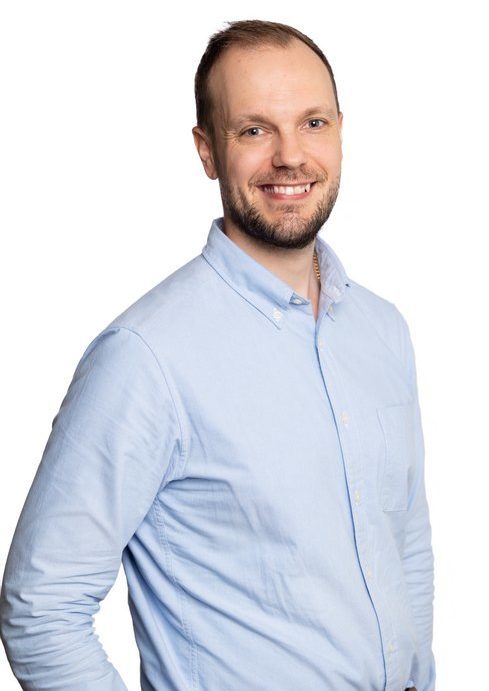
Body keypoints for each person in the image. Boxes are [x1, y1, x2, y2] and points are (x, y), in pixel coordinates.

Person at [0, 18, 434, 691]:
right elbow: (41, 605)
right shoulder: (145, 359)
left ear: (340, 131)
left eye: (312, 123)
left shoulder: (381, 330)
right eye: (253, 130)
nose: (290, 155)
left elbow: (402, 542)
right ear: (206, 150)